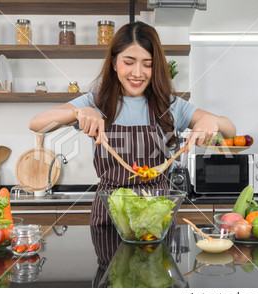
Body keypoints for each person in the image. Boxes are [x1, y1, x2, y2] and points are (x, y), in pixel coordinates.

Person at [29, 21, 236, 226]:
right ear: (114, 63)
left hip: (157, 217)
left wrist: (213, 120)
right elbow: (37, 123)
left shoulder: (170, 105)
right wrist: (78, 111)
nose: (138, 73)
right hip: (110, 216)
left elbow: (230, 130)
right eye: (129, 62)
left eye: (148, 64)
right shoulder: (95, 102)